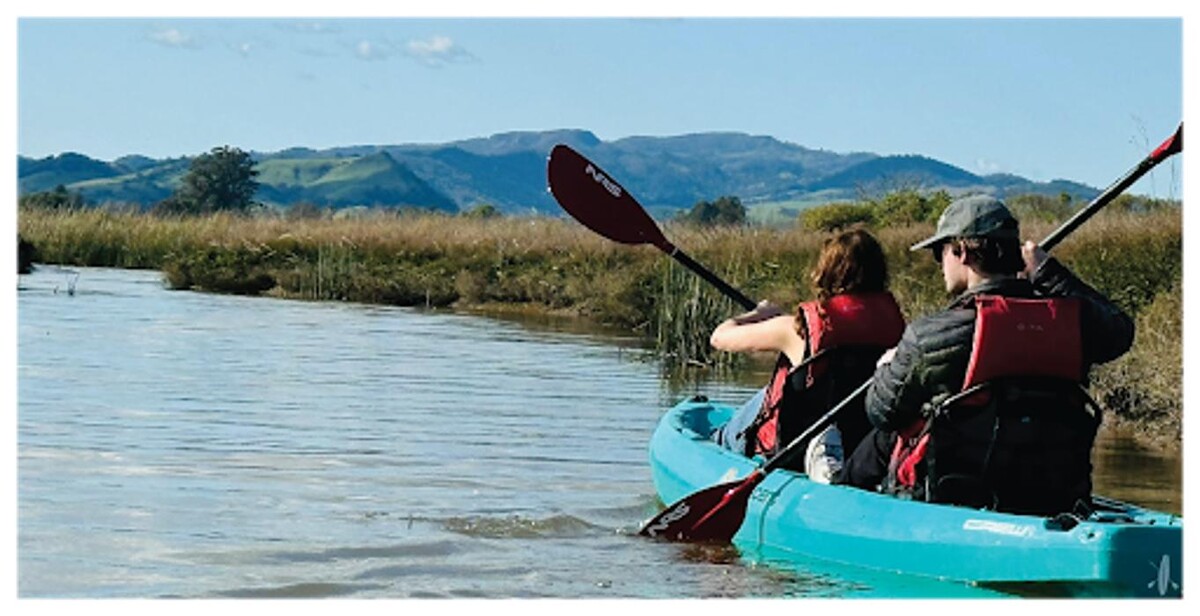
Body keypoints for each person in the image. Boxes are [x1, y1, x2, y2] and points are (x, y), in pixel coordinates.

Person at [837, 195, 1134, 515]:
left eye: (940, 252)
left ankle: (838, 505)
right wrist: (1048, 272)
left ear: (961, 251)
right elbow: (1120, 331)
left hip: (955, 499)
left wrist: (886, 367)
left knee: (890, 433)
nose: (940, 265)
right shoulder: (1069, 324)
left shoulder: (930, 334)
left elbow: (881, 412)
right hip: (1054, 496)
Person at [710, 228, 906, 482]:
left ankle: (715, 443)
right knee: (766, 394)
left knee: (727, 432)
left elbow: (719, 337)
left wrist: (758, 313)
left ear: (827, 272)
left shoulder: (795, 329)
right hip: (858, 446)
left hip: (788, 451)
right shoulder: (897, 330)